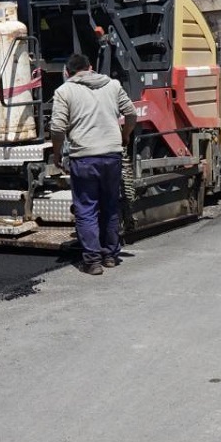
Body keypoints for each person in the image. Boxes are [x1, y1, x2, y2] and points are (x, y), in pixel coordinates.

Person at [50, 52, 137, 275]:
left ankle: (93, 261)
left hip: (84, 158)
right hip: (112, 156)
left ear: (67, 72)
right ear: (91, 68)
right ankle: (110, 255)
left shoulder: (64, 91)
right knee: (109, 205)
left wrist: (57, 153)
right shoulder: (113, 85)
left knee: (86, 209)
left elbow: (58, 128)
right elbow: (131, 113)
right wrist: (125, 136)